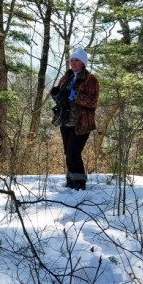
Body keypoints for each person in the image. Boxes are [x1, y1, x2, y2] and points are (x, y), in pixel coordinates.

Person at [50, 47, 100, 190]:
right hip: (65, 120)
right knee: (68, 152)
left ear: (83, 62)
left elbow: (92, 102)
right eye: (72, 60)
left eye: (77, 60)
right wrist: (57, 96)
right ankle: (71, 180)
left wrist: (76, 96)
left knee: (74, 153)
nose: (73, 63)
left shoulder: (91, 79)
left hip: (82, 122)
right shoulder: (66, 77)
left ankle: (79, 183)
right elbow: (62, 99)